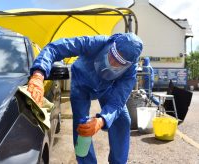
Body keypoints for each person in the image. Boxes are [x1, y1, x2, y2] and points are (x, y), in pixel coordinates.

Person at [27, 32, 143, 164]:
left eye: (120, 62)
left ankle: (119, 161)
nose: (112, 62)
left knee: (122, 120)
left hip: (107, 87)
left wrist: (102, 120)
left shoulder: (130, 71)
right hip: (81, 83)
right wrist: (38, 74)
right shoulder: (95, 43)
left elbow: (118, 101)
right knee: (82, 126)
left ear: (129, 64)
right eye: (113, 55)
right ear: (111, 45)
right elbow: (54, 48)